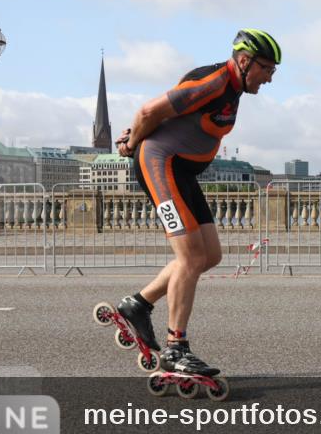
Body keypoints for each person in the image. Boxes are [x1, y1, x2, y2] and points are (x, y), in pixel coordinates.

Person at [114, 29, 280, 377]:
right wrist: (131, 143)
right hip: (160, 165)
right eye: (267, 68)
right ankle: (177, 348)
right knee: (190, 258)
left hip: (183, 173)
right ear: (245, 60)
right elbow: (148, 111)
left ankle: (138, 305)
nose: (269, 77)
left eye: (273, 71)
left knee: (210, 256)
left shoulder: (234, 90)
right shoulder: (215, 83)